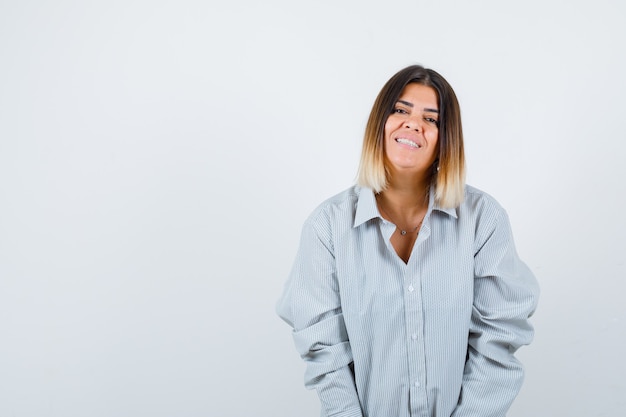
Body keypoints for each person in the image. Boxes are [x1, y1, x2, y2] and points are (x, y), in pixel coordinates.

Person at [276, 64, 539, 417]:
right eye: (400, 110)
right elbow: (325, 353)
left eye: (431, 118)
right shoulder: (326, 227)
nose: (414, 124)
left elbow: (498, 341)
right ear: (379, 124)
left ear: (446, 139)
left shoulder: (483, 220)